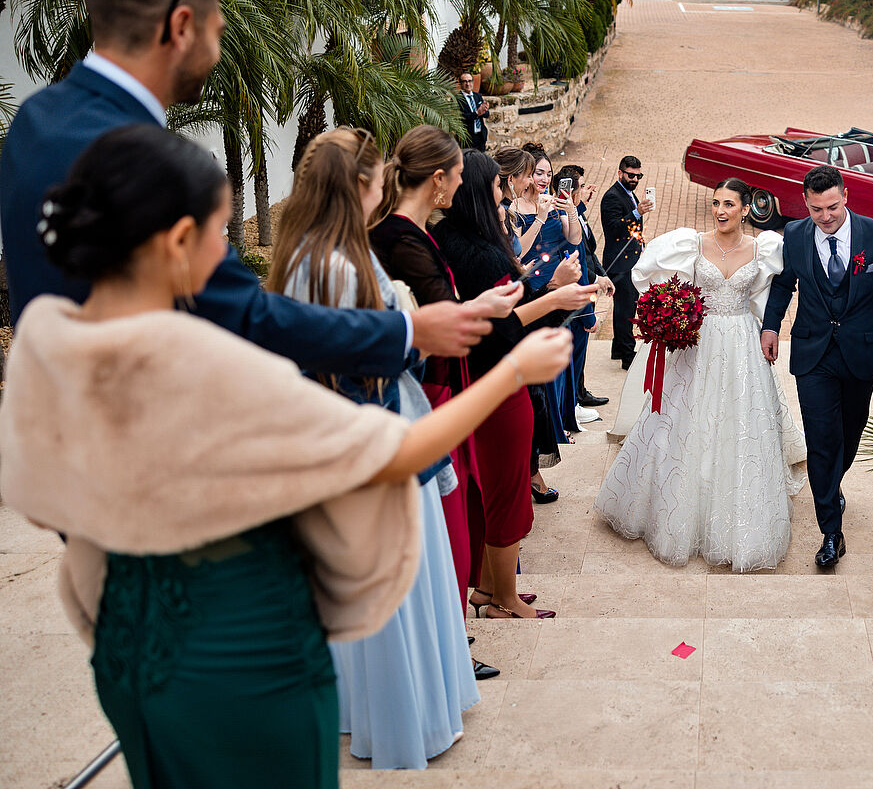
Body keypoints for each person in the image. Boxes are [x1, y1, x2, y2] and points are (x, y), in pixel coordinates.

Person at [0, 125, 572, 789]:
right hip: (246, 660)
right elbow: (394, 454)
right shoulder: (209, 367)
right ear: (176, 240)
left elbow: (43, 507)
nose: (228, 252)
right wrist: (512, 374)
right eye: (220, 232)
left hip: (127, 643)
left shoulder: (48, 341)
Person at [0, 0, 491, 377]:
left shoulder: (34, 121)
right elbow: (250, 316)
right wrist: (408, 331)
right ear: (182, 26)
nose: (217, 54)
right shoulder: (149, 162)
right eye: (216, 32)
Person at [268, 128, 479, 766]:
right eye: (378, 179)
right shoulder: (336, 265)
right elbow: (362, 357)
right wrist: (418, 337)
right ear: (359, 185)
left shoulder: (305, 256)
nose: (383, 188)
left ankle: (360, 708)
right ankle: (403, 720)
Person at [595, 179, 807, 571]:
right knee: (682, 420)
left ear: (746, 209)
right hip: (699, 341)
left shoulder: (763, 248)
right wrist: (668, 311)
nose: (720, 211)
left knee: (739, 422)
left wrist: (770, 328)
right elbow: (649, 276)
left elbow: (777, 290)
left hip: (742, 341)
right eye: (715, 203)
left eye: (729, 204)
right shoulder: (690, 243)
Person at [434, 151, 597, 617]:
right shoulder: (483, 254)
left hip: (464, 380)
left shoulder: (443, 238)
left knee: (485, 490)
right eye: (496, 186)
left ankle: (488, 588)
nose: (504, 193)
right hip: (498, 381)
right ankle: (504, 600)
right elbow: (506, 327)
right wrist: (556, 296)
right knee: (507, 492)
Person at [761, 165, 873, 569]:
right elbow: (784, 284)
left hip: (863, 353)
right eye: (816, 209)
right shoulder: (794, 234)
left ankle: (831, 483)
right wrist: (770, 326)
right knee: (821, 440)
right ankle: (831, 531)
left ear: (845, 196)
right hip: (813, 353)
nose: (825, 216)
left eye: (832, 207)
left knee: (848, 432)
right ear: (805, 203)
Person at [368, 126, 489, 607]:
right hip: (428, 388)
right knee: (447, 520)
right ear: (438, 179)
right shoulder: (400, 238)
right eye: (457, 174)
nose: (460, 184)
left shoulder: (414, 233)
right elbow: (442, 315)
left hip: (440, 381)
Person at [512, 147, 589, 435]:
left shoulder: (553, 201)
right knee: (541, 355)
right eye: (538, 173)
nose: (544, 179)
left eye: (548, 173)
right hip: (535, 289)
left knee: (560, 355)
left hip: (561, 287)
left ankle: (561, 421)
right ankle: (546, 428)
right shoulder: (514, 208)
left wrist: (570, 210)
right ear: (526, 175)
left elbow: (574, 238)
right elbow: (517, 252)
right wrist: (541, 217)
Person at [555, 162, 615, 409]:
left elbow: (590, 250)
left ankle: (578, 394)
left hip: (586, 289)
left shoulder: (577, 213)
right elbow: (577, 257)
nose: (584, 189)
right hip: (577, 296)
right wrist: (594, 281)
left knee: (579, 355)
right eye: (581, 186)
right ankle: (574, 402)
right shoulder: (563, 221)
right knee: (574, 354)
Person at [602, 156, 654, 369]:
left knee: (623, 308)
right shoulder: (612, 197)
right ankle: (627, 355)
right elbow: (613, 228)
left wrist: (641, 245)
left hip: (629, 259)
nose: (634, 179)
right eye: (630, 175)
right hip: (619, 263)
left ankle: (618, 349)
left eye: (638, 176)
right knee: (626, 311)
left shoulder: (628, 193)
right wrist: (636, 213)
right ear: (620, 173)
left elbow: (632, 228)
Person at [455, 72, 489, 151]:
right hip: (467, 139)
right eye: (465, 81)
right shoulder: (457, 99)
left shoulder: (478, 96)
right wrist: (477, 113)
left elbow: (487, 115)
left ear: (473, 82)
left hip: (480, 137)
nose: (468, 84)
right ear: (460, 84)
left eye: (470, 81)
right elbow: (462, 118)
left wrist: (484, 110)